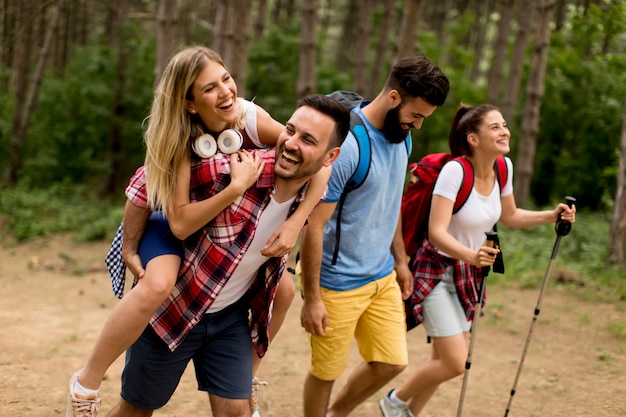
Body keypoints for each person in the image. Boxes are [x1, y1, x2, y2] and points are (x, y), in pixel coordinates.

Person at [66, 46, 341, 417]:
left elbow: (318, 162)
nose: (226, 91)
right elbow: (148, 197)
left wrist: (295, 222)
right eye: (209, 88)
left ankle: (247, 381)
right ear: (191, 103)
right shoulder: (178, 141)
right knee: (157, 284)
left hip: (219, 265)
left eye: (226, 79)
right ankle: (86, 384)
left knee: (286, 289)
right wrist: (130, 245)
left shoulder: (249, 118)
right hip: (169, 222)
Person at [378, 103, 577, 417]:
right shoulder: (455, 171)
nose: (504, 131)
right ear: (473, 138)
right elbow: (436, 232)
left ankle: (407, 413)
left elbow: (509, 215)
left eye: (505, 124)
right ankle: (395, 401)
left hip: (468, 275)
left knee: (442, 359)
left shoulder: (503, 168)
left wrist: (549, 215)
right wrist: (471, 255)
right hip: (436, 271)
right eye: (495, 127)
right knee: (455, 362)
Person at [299, 55, 450, 417]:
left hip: (381, 275)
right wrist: (312, 298)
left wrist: (400, 260)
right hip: (338, 283)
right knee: (326, 373)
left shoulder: (403, 139)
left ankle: (337, 414)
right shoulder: (349, 146)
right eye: (416, 115)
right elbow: (313, 225)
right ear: (394, 97)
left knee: (392, 363)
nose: (417, 125)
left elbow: (391, 203)